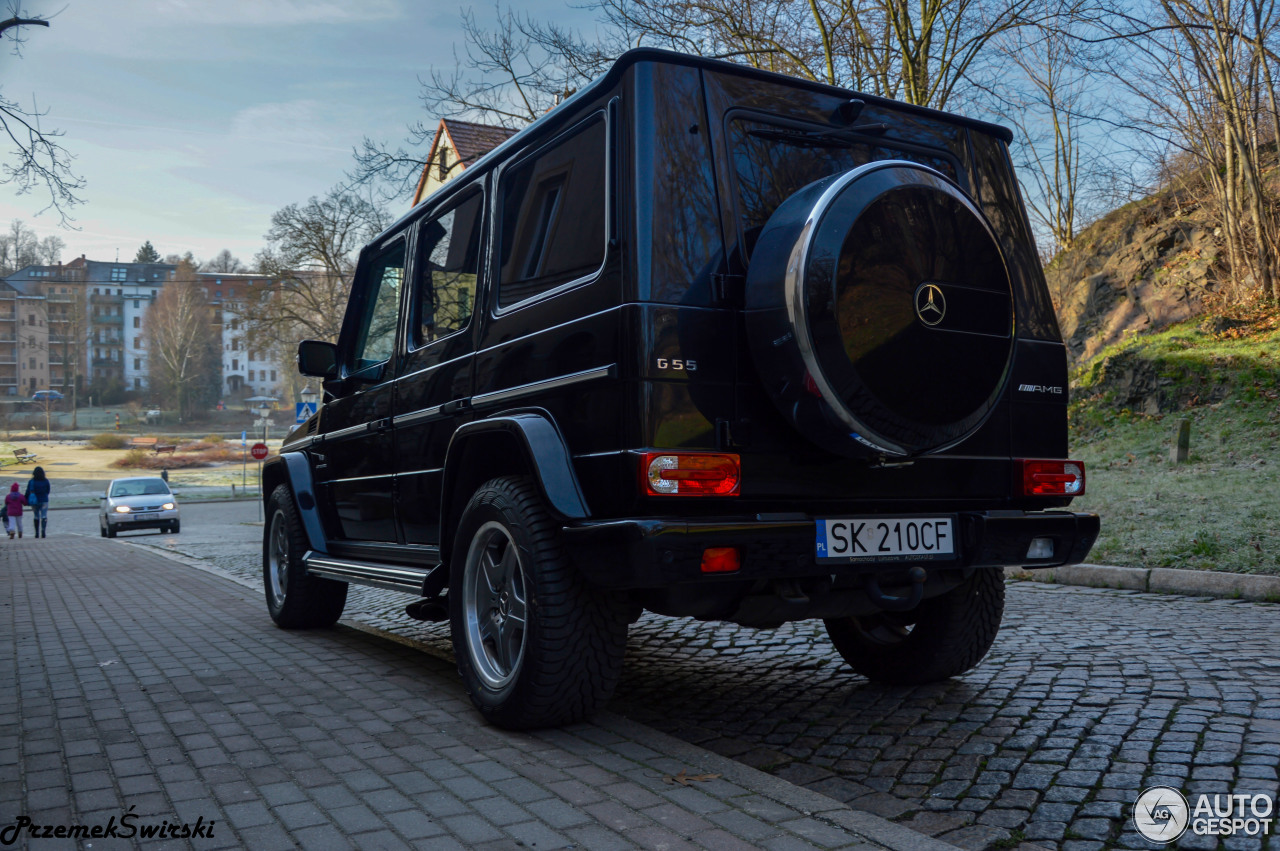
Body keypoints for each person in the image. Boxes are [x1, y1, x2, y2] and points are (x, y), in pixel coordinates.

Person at [25, 466, 50, 539]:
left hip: (34, 501)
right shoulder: (45, 481)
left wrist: (26, 499)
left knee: (36, 516)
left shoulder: (32, 481)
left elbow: (28, 491)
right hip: (44, 500)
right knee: (44, 515)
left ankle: (36, 532)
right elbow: (48, 490)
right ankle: (43, 531)